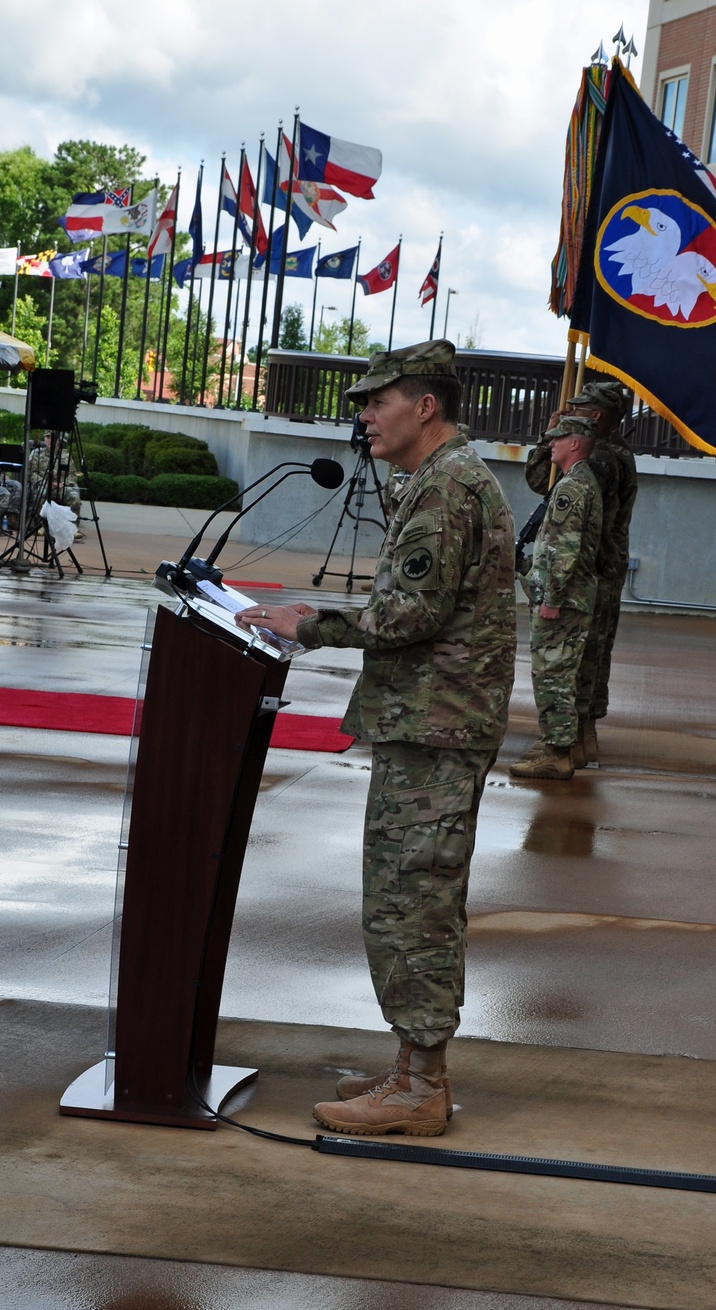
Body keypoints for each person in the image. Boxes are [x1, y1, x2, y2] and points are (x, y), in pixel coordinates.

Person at [236, 339, 517, 1136]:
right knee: (407, 895)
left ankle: (420, 1086)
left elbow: (411, 614)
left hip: (437, 724)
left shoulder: (448, 486)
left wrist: (311, 623)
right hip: (430, 719)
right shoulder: (436, 480)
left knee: (413, 902)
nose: (363, 416)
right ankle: (411, 1067)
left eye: (376, 401)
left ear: (424, 406)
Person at [524, 380, 637, 766]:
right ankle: (579, 738)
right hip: (598, 566)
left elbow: (548, 487)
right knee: (588, 655)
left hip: (590, 568)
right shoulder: (608, 453)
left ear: (596, 416)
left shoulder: (602, 460)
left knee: (575, 657)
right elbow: (543, 480)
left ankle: (568, 741)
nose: (570, 411)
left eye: (578, 409)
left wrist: (555, 589)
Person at [510, 414, 602, 781]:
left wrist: (551, 598)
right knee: (560, 674)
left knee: (552, 676)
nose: (551, 444)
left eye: (557, 438)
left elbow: (564, 550)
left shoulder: (571, 488)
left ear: (575, 443)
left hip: (562, 602)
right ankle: (561, 746)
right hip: (570, 598)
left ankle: (557, 754)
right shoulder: (579, 482)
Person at [27, 431, 84, 540]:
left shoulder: (66, 455)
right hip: (44, 485)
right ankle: (42, 525)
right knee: (41, 495)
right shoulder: (36, 454)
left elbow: (73, 474)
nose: (50, 440)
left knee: (75, 498)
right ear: (44, 438)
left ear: (59, 441)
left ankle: (72, 527)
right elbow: (31, 473)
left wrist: (64, 483)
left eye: (54, 438)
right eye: (48, 437)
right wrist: (46, 483)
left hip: (62, 487)